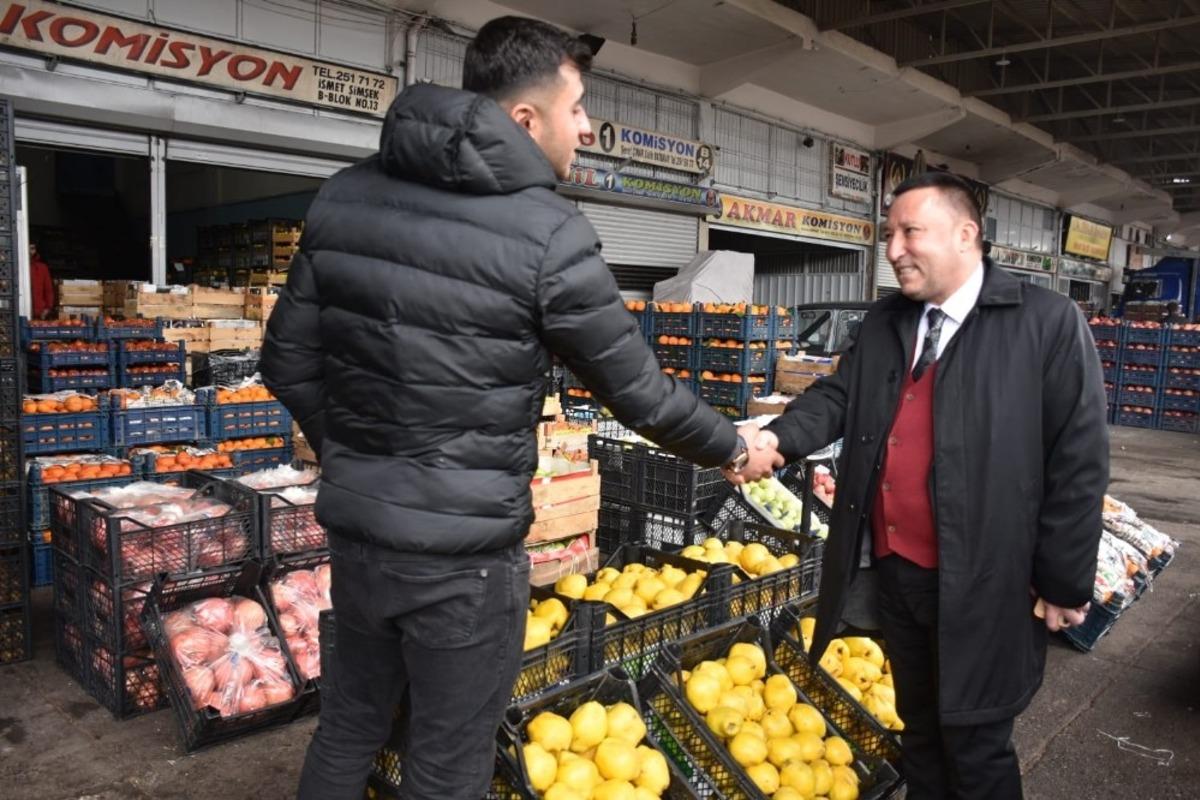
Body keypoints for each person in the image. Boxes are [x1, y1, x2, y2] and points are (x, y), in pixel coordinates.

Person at [260, 16, 774, 800]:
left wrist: (355, 457)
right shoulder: (546, 233)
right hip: (463, 565)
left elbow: (284, 359)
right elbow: (637, 391)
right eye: (577, 108)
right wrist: (735, 450)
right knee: (445, 764)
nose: (589, 125)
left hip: (362, 542)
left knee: (349, 731)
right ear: (526, 121)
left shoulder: (344, 197)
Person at [734, 172, 1109, 799]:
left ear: (967, 235)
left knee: (977, 742)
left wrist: (1066, 580)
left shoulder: (1044, 322)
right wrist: (776, 439)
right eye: (888, 234)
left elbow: (1079, 459)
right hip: (898, 570)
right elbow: (838, 395)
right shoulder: (887, 321)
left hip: (986, 578)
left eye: (911, 232)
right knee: (921, 733)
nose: (893, 249)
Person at [29, 242, 55, 319]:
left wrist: (47, 308)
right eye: (27, 248)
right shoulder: (16, 266)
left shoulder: (42, 267)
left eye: (32, 248)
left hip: (39, 313)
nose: (29, 251)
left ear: (36, 250)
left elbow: (48, 289)